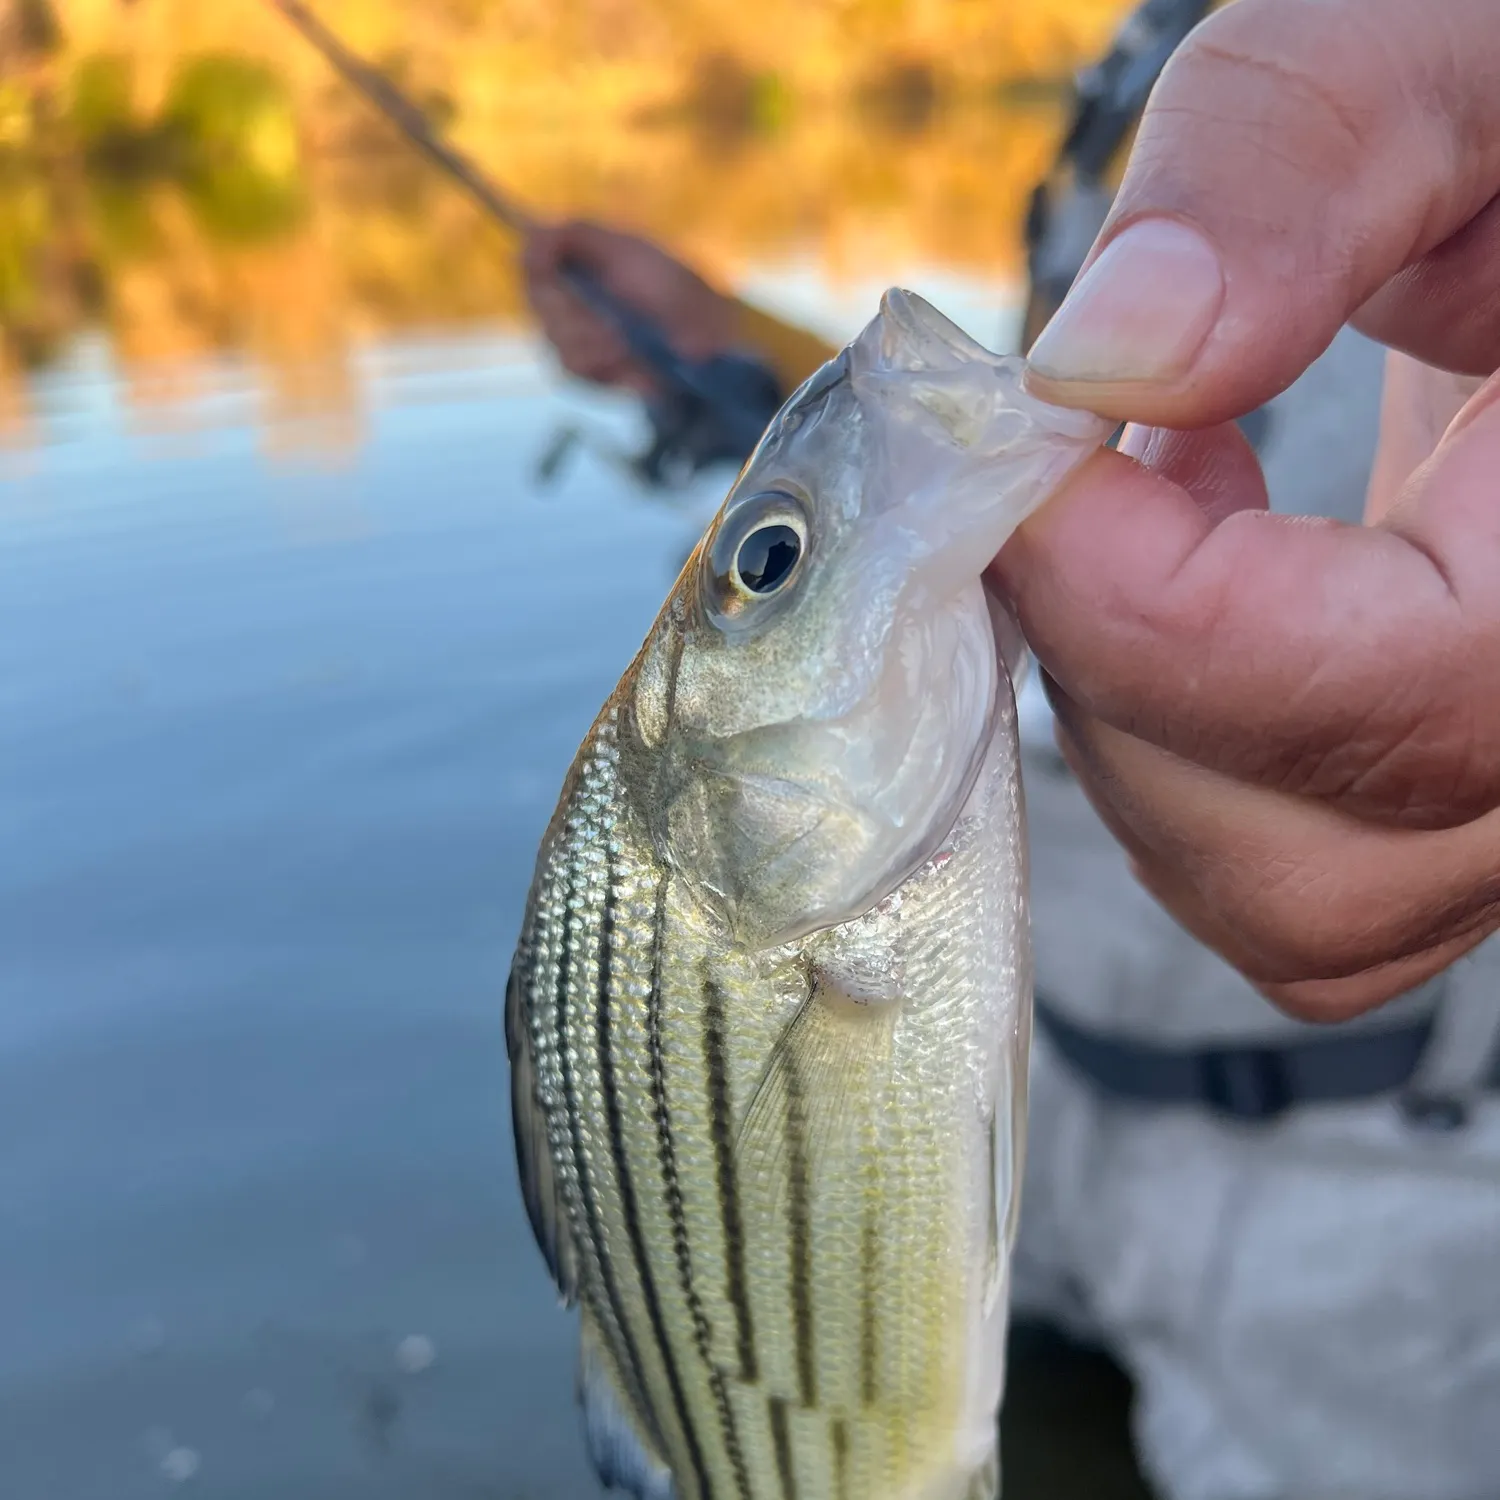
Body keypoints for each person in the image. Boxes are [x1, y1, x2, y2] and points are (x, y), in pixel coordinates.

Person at [522, 0, 1500, 1494]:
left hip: (1359, 1171)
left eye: (766, 562)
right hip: (1022, 1115)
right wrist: (724, 340)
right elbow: (991, 445)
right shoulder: (1143, 55)